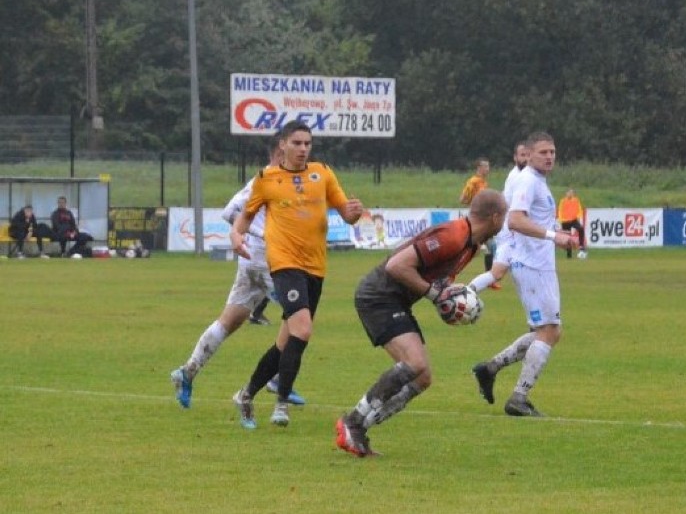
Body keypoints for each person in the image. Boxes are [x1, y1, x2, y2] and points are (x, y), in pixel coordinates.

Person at [336, 189, 508, 457]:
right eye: (503, 218)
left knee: (423, 377)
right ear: (495, 217)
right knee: (414, 364)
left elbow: (434, 282)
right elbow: (396, 266)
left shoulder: (470, 245)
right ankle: (353, 422)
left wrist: (450, 302)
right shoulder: (454, 236)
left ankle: (359, 429)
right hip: (378, 296)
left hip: (396, 301)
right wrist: (435, 294)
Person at [229, 120, 363, 430]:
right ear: (283, 146)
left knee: (286, 342)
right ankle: (282, 403)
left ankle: (246, 394)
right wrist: (236, 236)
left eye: (307, 143)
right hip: (284, 264)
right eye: (297, 143)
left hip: (315, 267)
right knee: (302, 329)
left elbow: (347, 213)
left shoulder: (323, 173)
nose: (303, 149)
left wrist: (354, 213)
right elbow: (245, 218)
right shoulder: (266, 179)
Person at [170, 141, 304, 409]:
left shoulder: (281, 181)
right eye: (293, 149)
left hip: (250, 262)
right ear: (279, 153)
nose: (300, 156)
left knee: (229, 321)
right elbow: (230, 210)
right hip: (265, 260)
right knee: (300, 315)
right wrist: (258, 234)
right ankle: (277, 379)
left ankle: (188, 372)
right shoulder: (266, 180)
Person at [471, 131, 577, 417]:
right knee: (550, 331)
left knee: (545, 331)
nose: (549, 157)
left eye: (552, 152)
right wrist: (554, 236)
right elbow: (516, 220)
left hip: (536, 263)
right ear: (528, 154)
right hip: (532, 266)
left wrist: (555, 233)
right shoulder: (529, 180)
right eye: (543, 152)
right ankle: (519, 397)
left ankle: (490, 368)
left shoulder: (536, 181)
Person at [467, 140, 529, 293]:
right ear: (515, 157)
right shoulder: (518, 177)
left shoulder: (525, 175)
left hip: (511, 230)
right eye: (522, 155)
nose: (526, 158)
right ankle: (466, 292)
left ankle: (467, 291)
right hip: (511, 231)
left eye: (528, 155)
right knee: (500, 269)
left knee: (497, 272)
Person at [459, 157, 497, 286]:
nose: (488, 169)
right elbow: (463, 198)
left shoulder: (483, 183)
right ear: (479, 168)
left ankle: (490, 279)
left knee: (490, 247)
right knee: (477, 247)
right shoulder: (473, 181)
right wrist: (473, 203)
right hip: (476, 219)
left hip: (484, 219)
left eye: (488, 166)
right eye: (485, 166)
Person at [556, 189, 587, 258]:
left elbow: (579, 209)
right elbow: (560, 211)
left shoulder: (576, 200)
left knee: (581, 228)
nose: (570, 194)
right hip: (565, 221)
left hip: (573, 220)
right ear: (566, 193)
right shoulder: (563, 201)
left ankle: (581, 245)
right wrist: (561, 220)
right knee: (567, 238)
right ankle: (569, 254)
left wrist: (579, 216)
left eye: (572, 193)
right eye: (569, 192)